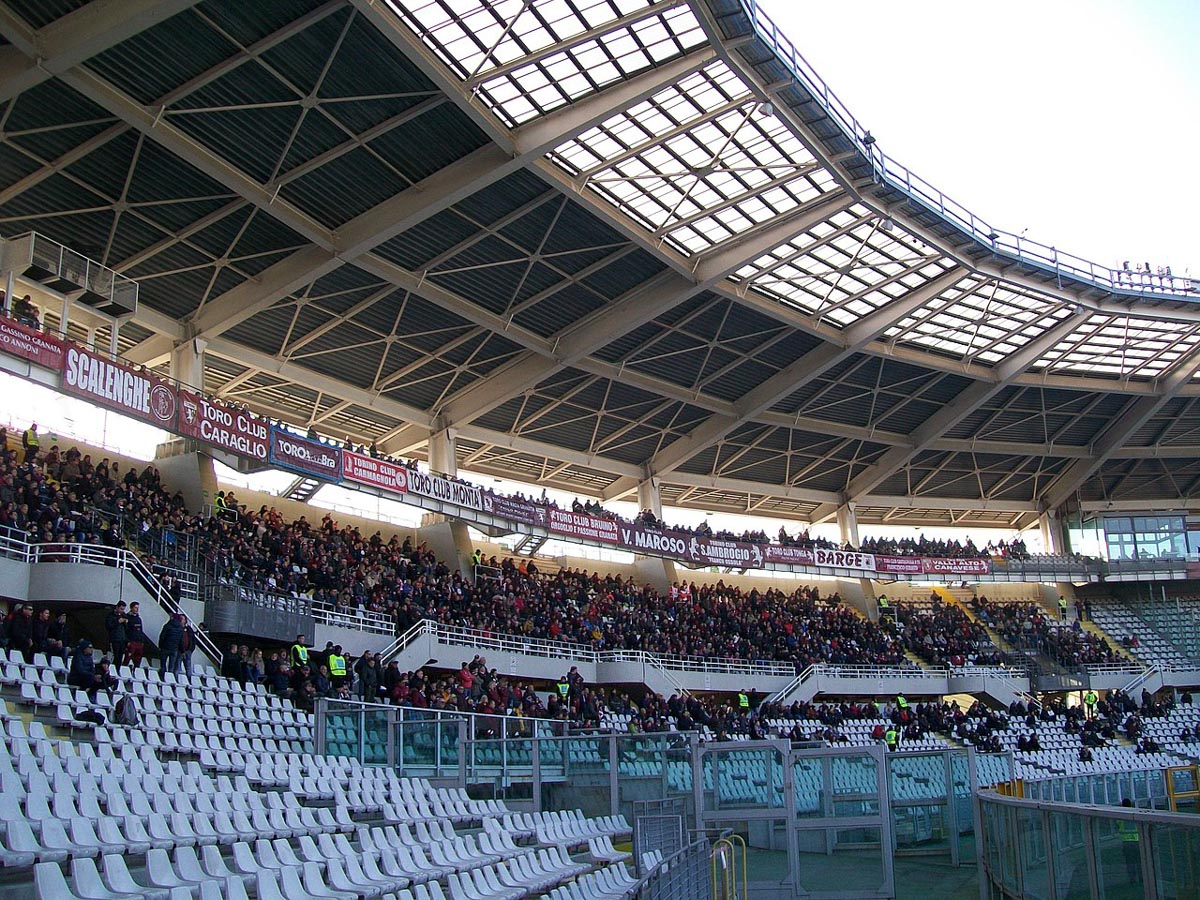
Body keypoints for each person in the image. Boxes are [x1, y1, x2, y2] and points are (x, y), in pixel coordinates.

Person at [1118, 799, 1141, 884]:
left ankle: (1132, 879)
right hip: (1137, 841)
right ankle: (1142, 878)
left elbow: (1118, 825)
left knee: (1130, 862)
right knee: (1140, 861)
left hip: (1126, 842)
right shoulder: (1136, 813)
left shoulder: (1120, 816)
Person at [123, 601, 146, 669]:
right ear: (131, 608)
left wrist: (142, 641)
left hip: (139, 642)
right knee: (127, 658)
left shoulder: (138, 619)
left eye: (138, 608)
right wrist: (128, 641)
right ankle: (123, 670)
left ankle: (135, 672)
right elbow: (125, 631)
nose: (137, 609)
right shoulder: (127, 617)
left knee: (138, 660)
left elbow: (141, 631)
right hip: (131, 642)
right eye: (135, 607)